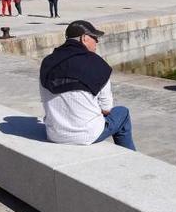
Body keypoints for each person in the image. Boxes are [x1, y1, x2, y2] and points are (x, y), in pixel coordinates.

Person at [39, 20, 135, 150]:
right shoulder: (97, 64)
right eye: (95, 38)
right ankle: (130, 158)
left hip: (54, 134)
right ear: (84, 38)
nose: (97, 42)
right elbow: (107, 108)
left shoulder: (48, 62)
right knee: (122, 113)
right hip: (86, 135)